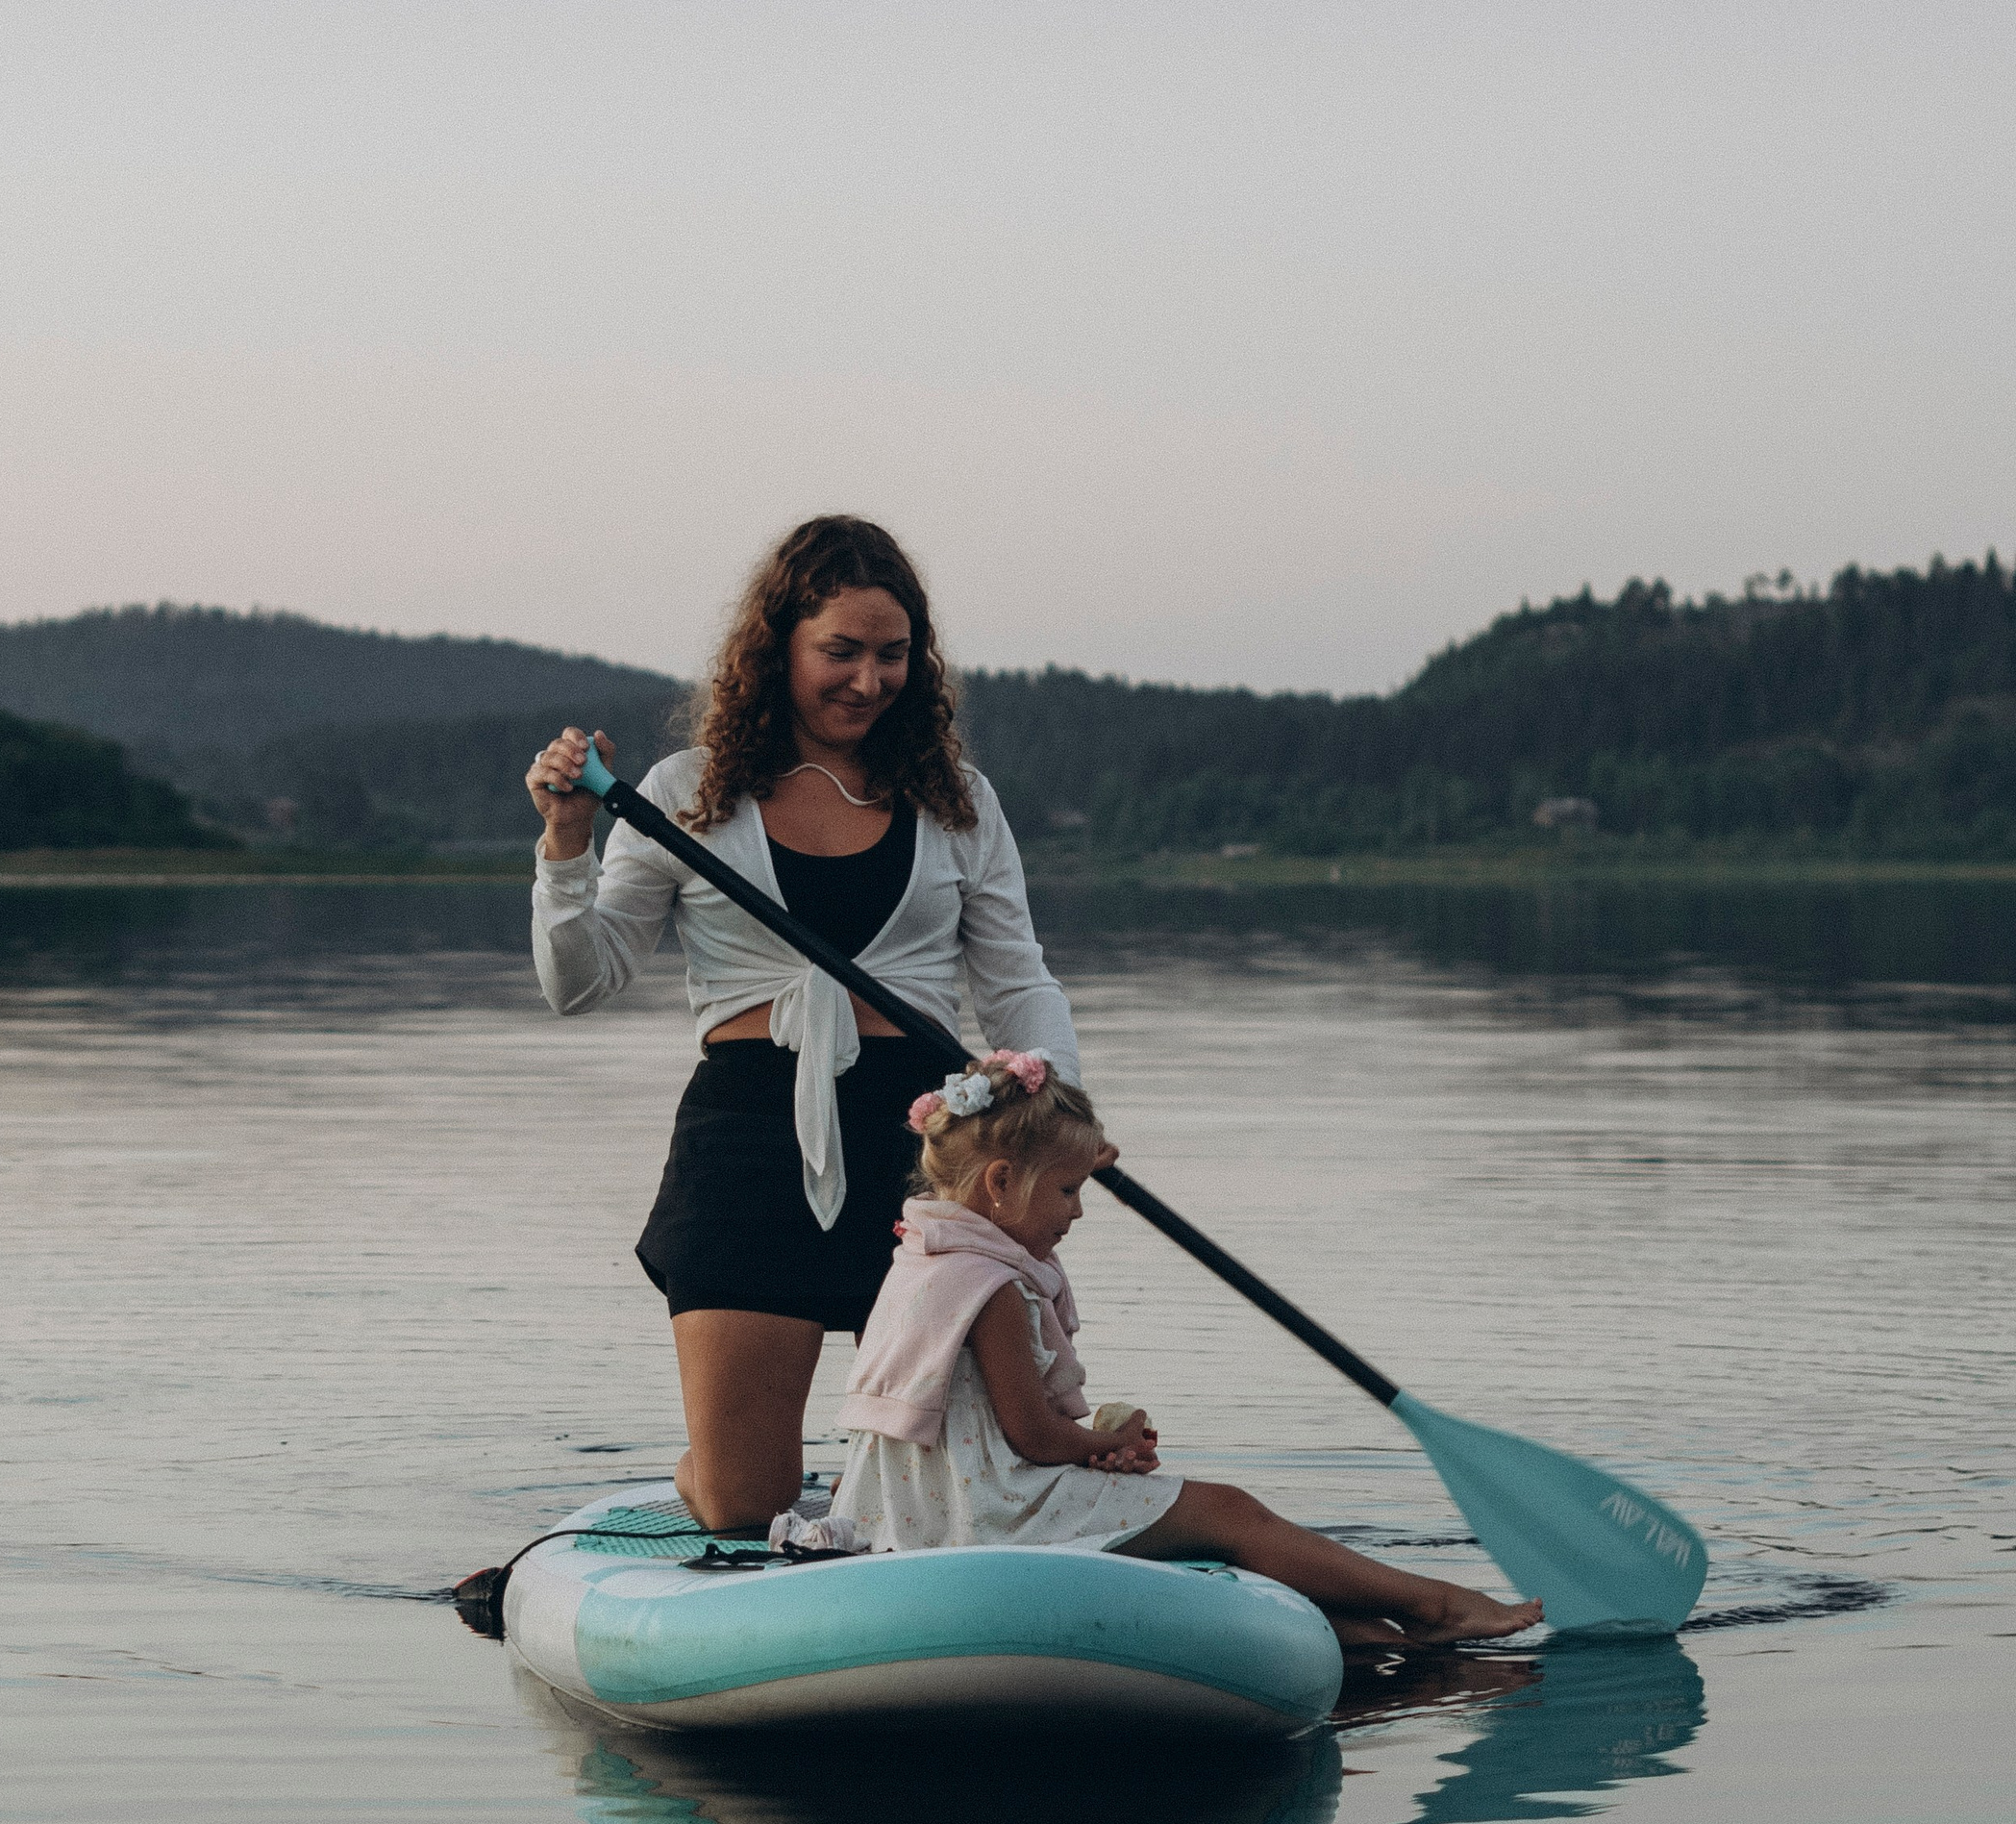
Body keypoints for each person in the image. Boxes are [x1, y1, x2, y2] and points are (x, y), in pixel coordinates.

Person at [527, 514, 1081, 1532]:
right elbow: (581, 980)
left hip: (927, 1149)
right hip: (747, 1143)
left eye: (892, 655)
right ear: (777, 644)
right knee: (745, 1504)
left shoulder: (955, 804)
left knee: (987, 1484)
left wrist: (1059, 1122)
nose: (868, 681)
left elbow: (1017, 986)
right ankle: (699, 1476)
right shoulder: (684, 794)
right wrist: (566, 843)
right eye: (841, 651)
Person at [836, 1052, 1544, 1648]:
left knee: (1203, 1540)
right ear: (999, 1183)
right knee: (1228, 1513)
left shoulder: (925, 1255)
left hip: (919, 1506)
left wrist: (1098, 1448)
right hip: (986, 1513)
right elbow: (1030, 1434)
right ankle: (1435, 1604)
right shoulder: (990, 1285)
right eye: (1068, 1189)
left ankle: (1380, 1635)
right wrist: (1099, 1442)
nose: (1077, 1210)